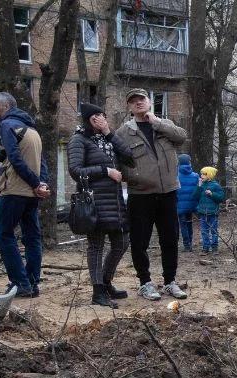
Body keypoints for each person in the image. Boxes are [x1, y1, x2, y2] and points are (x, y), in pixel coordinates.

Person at [115, 88, 189, 301]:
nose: (138, 103)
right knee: (140, 241)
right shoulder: (123, 133)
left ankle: (169, 282)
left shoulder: (164, 125)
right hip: (141, 195)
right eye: (133, 101)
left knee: (170, 239)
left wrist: (156, 122)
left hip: (168, 193)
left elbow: (182, 137)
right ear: (129, 107)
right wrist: (133, 176)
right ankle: (145, 283)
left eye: (142, 99)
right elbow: (118, 163)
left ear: (149, 102)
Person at [67, 102, 134, 307]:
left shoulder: (108, 139)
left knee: (122, 243)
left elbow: (130, 158)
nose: (104, 119)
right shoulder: (78, 140)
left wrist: (108, 132)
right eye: (100, 116)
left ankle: (105, 282)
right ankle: (98, 292)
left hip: (115, 202)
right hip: (94, 202)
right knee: (96, 246)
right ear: (91, 119)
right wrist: (105, 171)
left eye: (104, 116)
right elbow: (75, 171)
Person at [0, 91, 49, 298]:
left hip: (14, 190)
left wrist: (34, 183)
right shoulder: (32, 129)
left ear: (5, 107)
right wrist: (41, 184)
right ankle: (32, 283)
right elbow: (42, 161)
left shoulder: (6, 125)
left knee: (4, 235)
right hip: (32, 194)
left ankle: (20, 283)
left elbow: (14, 158)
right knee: (32, 237)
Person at [194, 166, 225, 253]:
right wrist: (199, 187)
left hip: (213, 212)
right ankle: (205, 247)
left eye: (204, 174)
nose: (202, 176)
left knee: (214, 230)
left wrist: (212, 194)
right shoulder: (201, 185)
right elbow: (195, 197)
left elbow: (221, 198)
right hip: (203, 212)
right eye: (201, 174)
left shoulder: (216, 185)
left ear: (210, 175)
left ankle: (214, 247)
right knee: (204, 231)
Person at [176, 154, 200, 252]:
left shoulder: (175, 176)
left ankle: (186, 245)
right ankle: (190, 241)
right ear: (189, 162)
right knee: (190, 223)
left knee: (183, 224)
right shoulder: (195, 175)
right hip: (192, 204)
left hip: (180, 204)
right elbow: (198, 189)